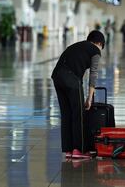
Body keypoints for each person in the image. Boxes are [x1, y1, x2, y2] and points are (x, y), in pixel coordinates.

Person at [51, 30, 105, 159]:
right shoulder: (95, 51)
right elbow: (93, 75)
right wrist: (89, 98)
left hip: (57, 77)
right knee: (79, 115)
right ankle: (79, 150)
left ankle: (68, 149)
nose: (100, 50)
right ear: (99, 43)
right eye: (101, 47)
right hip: (71, 79)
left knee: (67, 114)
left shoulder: (76, 46)